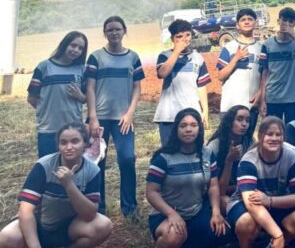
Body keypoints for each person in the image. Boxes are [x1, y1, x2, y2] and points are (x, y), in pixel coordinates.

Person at [0, 123, 112, 248]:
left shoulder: (92, 170)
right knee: (6, 237)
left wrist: (69, 185)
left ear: (85, 143)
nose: (69, 147)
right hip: (38, 225)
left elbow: (90, 215)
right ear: (58, 145)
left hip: (68, 227)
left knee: (103, 225)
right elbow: (26, 210)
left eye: (75, 141)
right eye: (63, 142)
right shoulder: (44, 166)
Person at [145, 109, 229, 248]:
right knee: (175, 235)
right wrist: (171, 214)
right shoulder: (163, 158)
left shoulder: (207, 154)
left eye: (193, 125)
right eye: (183, 126)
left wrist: (215, 212)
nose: (188, 129)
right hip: (165, 214)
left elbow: (213, 185)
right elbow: (151, 192)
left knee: (223, 230)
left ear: (200, 129)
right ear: (176, 129)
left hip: (196, 210)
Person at [228, 117, 295, 248]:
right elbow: (251, 203)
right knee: (246, 222)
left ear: (283, 137)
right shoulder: (248, 160)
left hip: (273, 201)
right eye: (269, 134)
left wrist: (270, 201)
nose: (274, 138)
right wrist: (278, 234)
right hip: (246, 204)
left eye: (278, 134)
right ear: (260, 136)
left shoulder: (291, 156)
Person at [85, 16, 144, 218]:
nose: (114, 33)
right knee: (96, 162)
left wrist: (130, 114)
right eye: (109, 30)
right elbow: (90, 87)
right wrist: (92, 117)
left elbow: (137, 88)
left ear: (124, 31)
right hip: (99, 118)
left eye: (117, 29)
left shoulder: (133, 57)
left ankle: (129, 208)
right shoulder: (96, 57)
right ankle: (98, 208)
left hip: (123, 120)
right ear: (104, 33)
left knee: (127, 159)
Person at [27, 31, 88, 157]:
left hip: (73, 130)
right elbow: (32, 98)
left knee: (71, 170)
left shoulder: (81, 69)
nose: (76, 50)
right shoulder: (44, 67)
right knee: (49, 169)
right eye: (73, 45)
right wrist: (46, 111)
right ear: (64, 44)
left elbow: (86, 98)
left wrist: (79, 96)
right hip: (48, 130)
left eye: (80, 48)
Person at [154, 20, 210, 147]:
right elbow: (162, 73)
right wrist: (176, 52)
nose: (184, 39)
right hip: (169, 115)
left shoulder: (198, 58)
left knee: (195, 151)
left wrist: (205, 111)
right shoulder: (164, 56)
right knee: (169, 152)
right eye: (179, 36)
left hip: (192, 114)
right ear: (172, 39)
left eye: (187, 35)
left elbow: (201, 86)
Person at [254, 7, 295, 124]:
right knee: (273, 131)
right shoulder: (267, 45)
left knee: (293, 132)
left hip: (293, 98)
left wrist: (294, 36)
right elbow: (264, 73)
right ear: (278, 21)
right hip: (273, 98)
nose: (287, 24)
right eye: (284, 20)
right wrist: (263, 100)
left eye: (291, 22)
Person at [206, 105, 254, 213]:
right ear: (229, 121)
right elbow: (219, 191)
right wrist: (229, 161)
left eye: (247, 120)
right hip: (220, 195)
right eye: (239, 119)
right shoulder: (215, 146)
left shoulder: (250, 142)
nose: (244, 124)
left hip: (245, 190)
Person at [216, 8, 263, 115]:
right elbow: (220, 76)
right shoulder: (229, 47)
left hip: (251, 105)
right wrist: (236, 58)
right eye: (243, 20)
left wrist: (260, 94)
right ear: (237, 25)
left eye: (250, 19)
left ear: (255, 23)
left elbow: (264, 75)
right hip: (231, 106)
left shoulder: (261, 48)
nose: (246, 22)